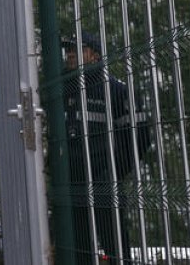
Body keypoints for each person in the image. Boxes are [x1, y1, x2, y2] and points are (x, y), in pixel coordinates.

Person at [63, 32, 152, 264]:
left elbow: (140, 136)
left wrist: (113, 172)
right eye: (68, 49)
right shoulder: (60, 91)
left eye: (77, 49)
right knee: (75, 251)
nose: (69, 53)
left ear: (93, 55)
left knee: (115, 250)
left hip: (104, 184)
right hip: (69, 185)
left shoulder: (116, 90)